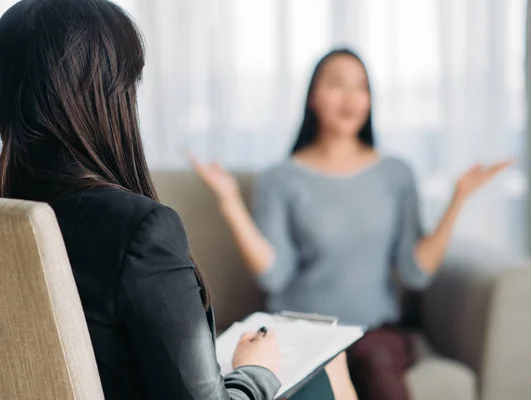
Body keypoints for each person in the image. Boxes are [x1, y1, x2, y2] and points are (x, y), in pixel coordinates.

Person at [0, 1, 346, 399]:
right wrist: (256, 370)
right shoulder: (139, 229)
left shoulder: (14, 213)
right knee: (323, 377)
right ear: (108, 95)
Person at [192, 48, 512, 400]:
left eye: (360, 87)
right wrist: (230, 202)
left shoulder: (396, 174)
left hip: (375, 333)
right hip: (302, 329)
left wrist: (458, 199)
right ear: (312, 97)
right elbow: (274, 274)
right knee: (316, 368)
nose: (350, 98)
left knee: (372, 357)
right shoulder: (280, 179)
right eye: (336, 84)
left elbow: (415, 272)